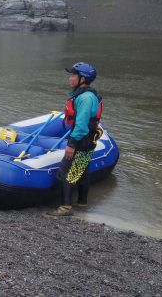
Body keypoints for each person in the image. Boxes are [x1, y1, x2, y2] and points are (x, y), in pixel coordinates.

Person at [48, 62, 103, 217]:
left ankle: (65, 207)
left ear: (82, 79)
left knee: (65, 172)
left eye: (73, 75)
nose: (70, 78)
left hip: (81, 140)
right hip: (88, 140)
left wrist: (71, 144)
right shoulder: (86, 95)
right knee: (83, 172)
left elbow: (81, 125)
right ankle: (82, 203)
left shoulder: (85, 98)